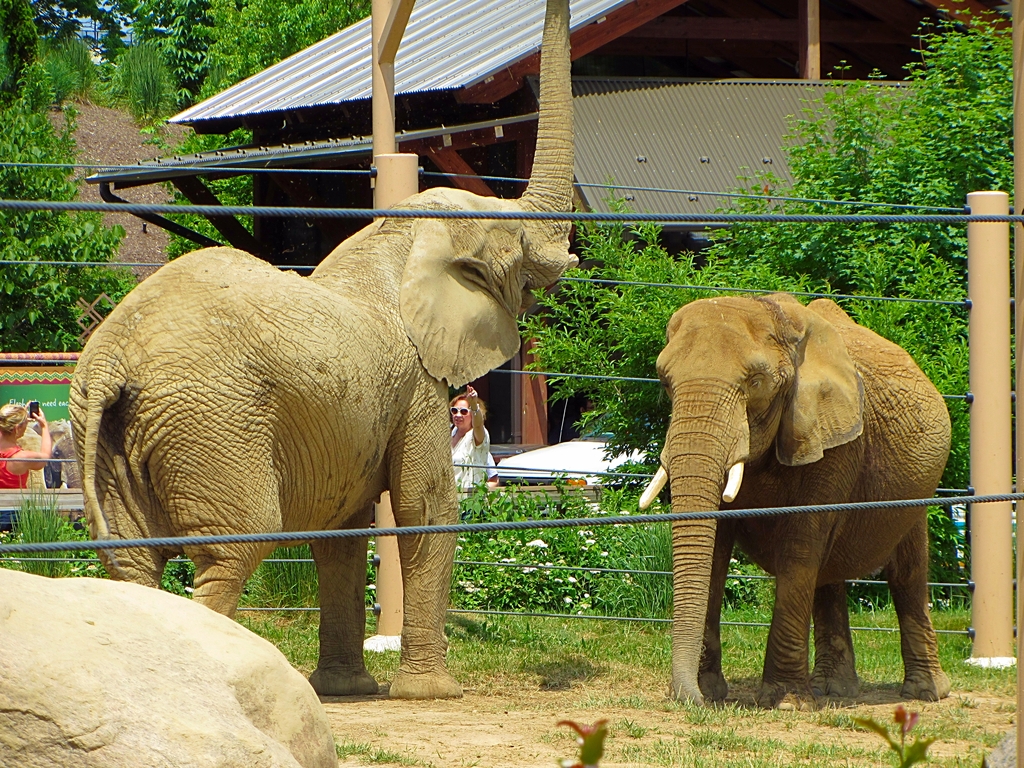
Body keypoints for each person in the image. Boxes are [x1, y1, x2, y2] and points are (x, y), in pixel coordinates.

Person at [450, 386, 497, 491]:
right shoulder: (448, 435)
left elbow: (478, 425)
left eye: (463, 412)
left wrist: (474, 406)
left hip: (469, 501)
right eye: (454, 410)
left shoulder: (477, 436)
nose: (457, 415)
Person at [0, 403, 53, 491]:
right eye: (25, 424)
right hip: (14, 502)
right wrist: (44, 426)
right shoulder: (22, 458)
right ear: (17, 428)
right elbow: (45, 455)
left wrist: (18, 415)